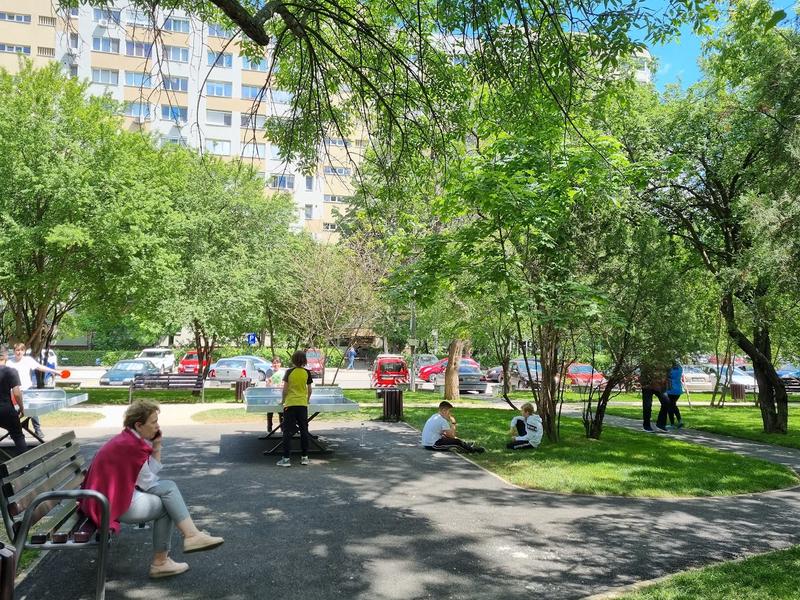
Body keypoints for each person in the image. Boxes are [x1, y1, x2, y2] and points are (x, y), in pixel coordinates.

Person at [80, 401, 224, 579]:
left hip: (105, 501)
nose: (158, 426)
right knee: (168, 499)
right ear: (139, 425)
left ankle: (185, 542)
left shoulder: (128, 440)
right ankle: (170, 554)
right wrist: (155, 452)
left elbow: (147, 476)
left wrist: (156, 446)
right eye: (153, 422)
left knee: (168, 494)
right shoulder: (131, 446)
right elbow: (147, 483)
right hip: (108, 506)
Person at [7, 343, 60, 438]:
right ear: (14, 351)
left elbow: (40, 367)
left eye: (21, 350)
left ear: (24, 351)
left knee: (33, 411)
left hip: (28, 389)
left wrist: (54, 371)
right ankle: (14, 431)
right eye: (17, 350)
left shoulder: (28, 360)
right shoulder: (9, 363)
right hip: (14, 391)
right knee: (14, 412)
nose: (19, 352)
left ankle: (37, 430)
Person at [276, 350, 313, 467]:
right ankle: (305, 457)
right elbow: (309, 390)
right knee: (304, 430)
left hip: (290, 404)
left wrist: (282, 401)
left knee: (287, 432)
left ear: (293, 360)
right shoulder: (307, 372)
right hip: (302, 405)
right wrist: (307, 400)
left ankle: (286, 459)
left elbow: (285, 390)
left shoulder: (289, 372)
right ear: (304, 360)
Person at [421, 401, 485, 453]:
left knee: (447, 437)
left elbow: (445, 434)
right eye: (449, 411)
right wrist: (453, 422)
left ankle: (465, 444)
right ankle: (472, 450)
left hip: (427, 443)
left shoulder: (434, 416)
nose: (450, 414)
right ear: (444, 410)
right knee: (456, 442)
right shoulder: (442, 420)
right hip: (433, 445)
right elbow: (452, 436)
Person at [0, 346, 27, 455]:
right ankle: (25, 462)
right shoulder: (11, 371)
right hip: (6, 410)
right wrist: (21, 407)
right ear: (6, 356)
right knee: (18, 436)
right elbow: (16, 393)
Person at [640, 362, 670, 433]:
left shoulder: (665, 360)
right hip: (648, 386)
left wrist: (665, 383)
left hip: (660, 386)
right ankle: (646, 426)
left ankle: (661, 424)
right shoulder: (648, 360)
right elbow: (644, 373)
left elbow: (666, 373)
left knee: (666, 402)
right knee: (647, 406)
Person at [266, 357, 285, 432]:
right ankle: (269, 427)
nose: (276, 365)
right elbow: (267, 383)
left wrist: (281, 385)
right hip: (271, 394)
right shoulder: (269, 372)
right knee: (270, 411)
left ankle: (282, 428)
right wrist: (270, 382)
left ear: (280, 364)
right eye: (274, 363)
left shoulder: (283, 372)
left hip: (280, 394)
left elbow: (285, 383)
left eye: (277, 363)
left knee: (281, 412)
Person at [666, 361, 684, 429]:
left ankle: (672, 424)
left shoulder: (669, 369)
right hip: (678, 389)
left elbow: (667, 376)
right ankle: (680, 420)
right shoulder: (680, 368)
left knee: (670, 406)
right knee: (673, 405)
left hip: (670, 389)